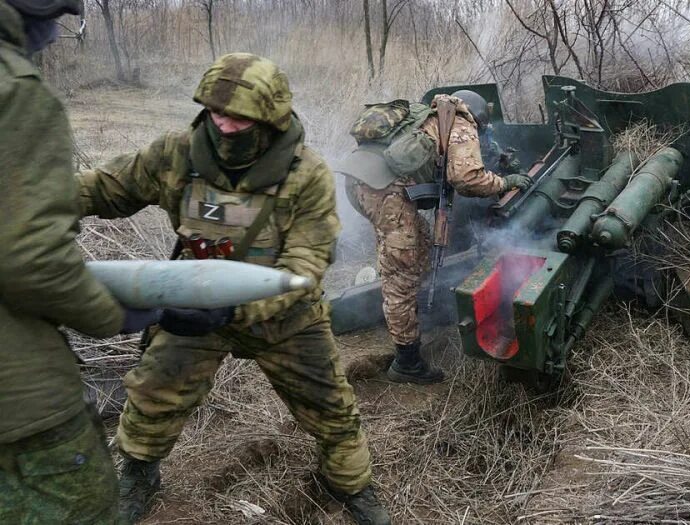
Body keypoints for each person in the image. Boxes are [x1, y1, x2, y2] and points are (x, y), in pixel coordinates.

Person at [76, 53, 390, 525]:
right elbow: (106, 188)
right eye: (216, 112)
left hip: (286, 317)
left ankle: (348, 484)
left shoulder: (307, 175)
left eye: (239, 117)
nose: (224, 126)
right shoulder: (176, 154)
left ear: (270, 117)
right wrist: (38, 203)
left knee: (331, 410)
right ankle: (140, 473)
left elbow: (306, 263)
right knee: (153, 394)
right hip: (193, 304)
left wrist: (230, 311)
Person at [0, 0, 160, 522]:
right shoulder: (16, 90)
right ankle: (140, 470)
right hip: (20, 401)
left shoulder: (297, 169)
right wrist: (113, 314)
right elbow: (30, 258)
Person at [334, 90, 531, 384]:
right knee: (401, 272)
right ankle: (407, 362)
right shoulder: (461, 123)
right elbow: (467, 178)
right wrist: (505, 182)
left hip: (361, 182)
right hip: (382, 191)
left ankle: (414, 311)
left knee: (418, 243)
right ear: (477, 117)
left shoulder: (432, 112)